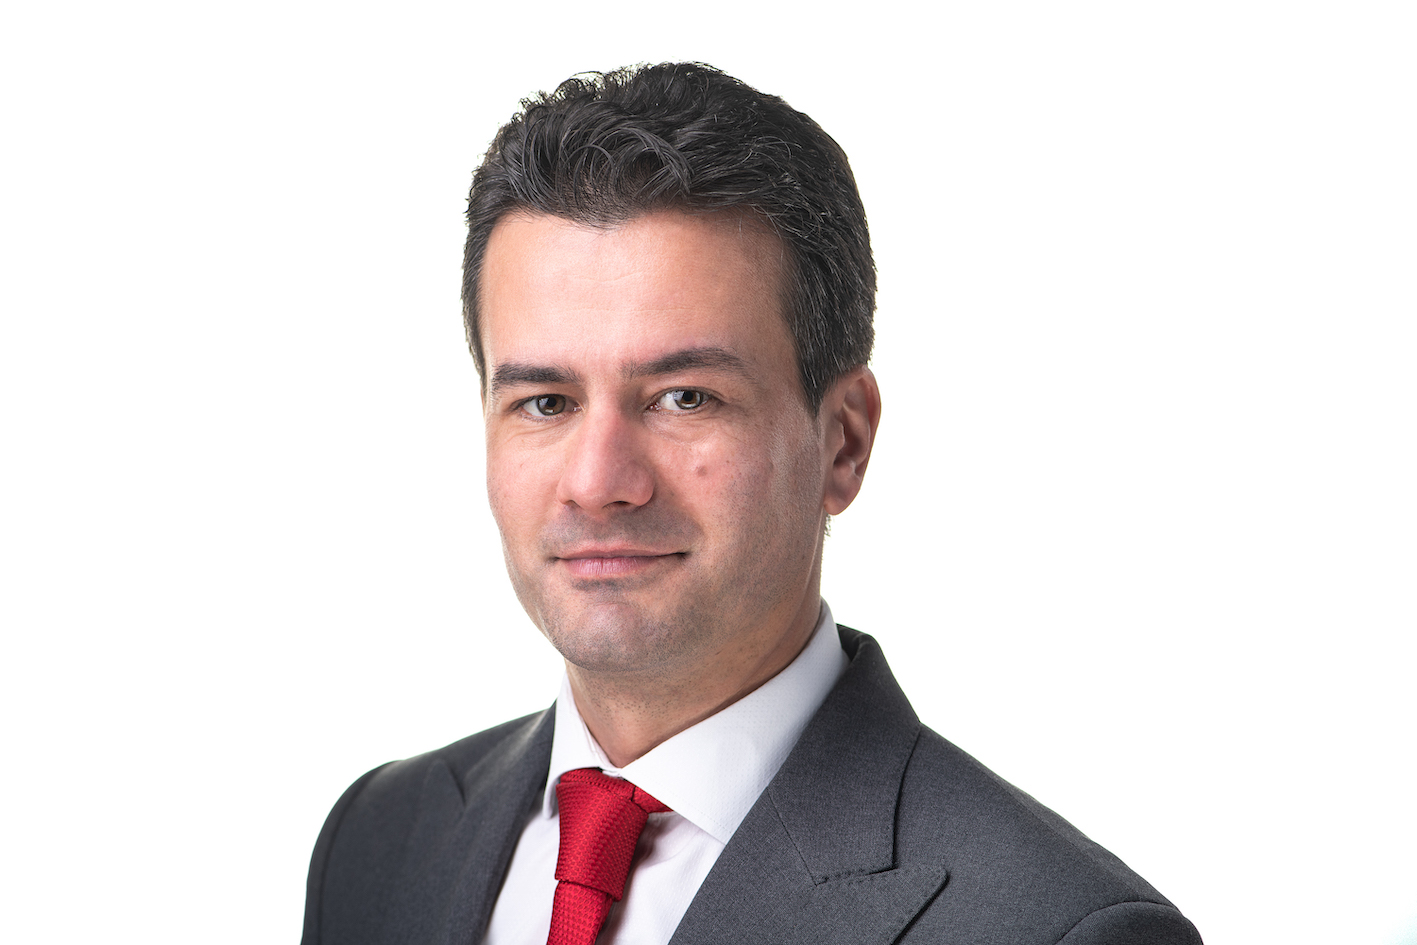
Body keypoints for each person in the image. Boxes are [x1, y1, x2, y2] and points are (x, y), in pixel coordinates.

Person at [301, 62, 1202, 945]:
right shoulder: (380, 842)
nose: (598, 480)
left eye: (684, 397)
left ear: (842, 441)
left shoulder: (1059, 927)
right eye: (545, 402)